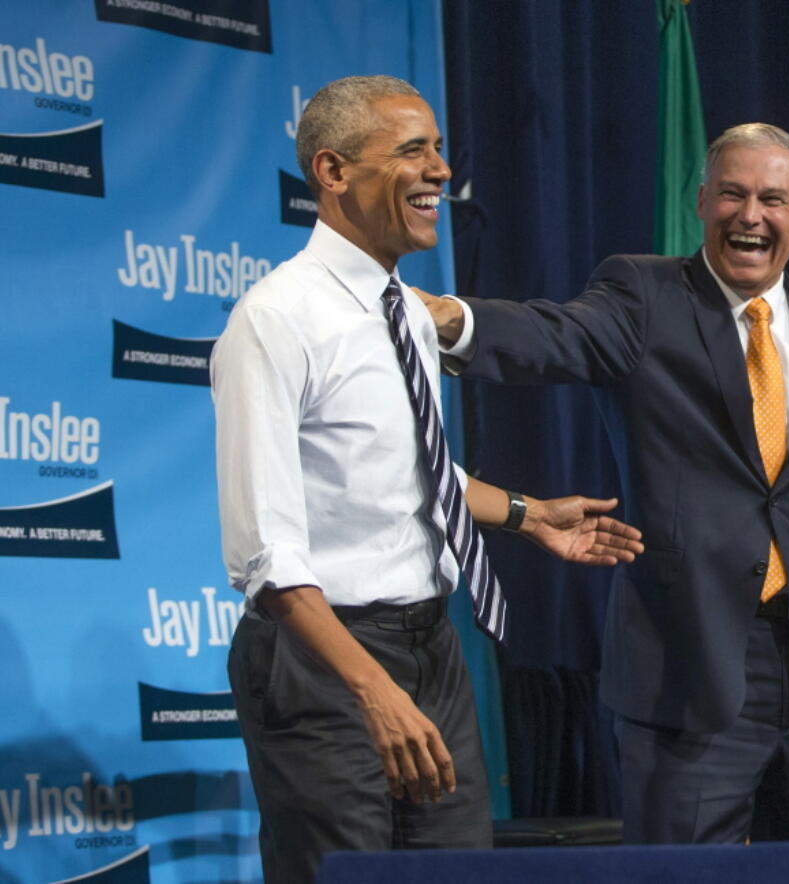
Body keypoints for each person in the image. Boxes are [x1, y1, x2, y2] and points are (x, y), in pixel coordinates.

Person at [418, 123, 789, 843]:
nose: (751, 215)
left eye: (773, 199)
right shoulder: (643, 297)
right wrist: (449, 320)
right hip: (690, 675)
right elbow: (556, 335)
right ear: (703, 201)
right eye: (733, 195)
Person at [210, 75, 643, 883]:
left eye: (439, 148)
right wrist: (372, 692)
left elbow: (413, 471)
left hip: (431, 650)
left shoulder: (407, 310)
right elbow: (267, 558)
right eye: (413, 150)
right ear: (334, 171)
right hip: (323, 660)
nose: (441, 170)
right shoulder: (274, 322)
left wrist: (527, 515)